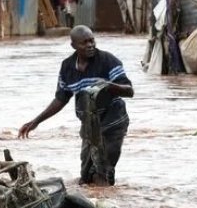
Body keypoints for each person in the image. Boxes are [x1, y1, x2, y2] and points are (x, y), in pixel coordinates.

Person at [19, 26, 133, 185]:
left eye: (92, 40)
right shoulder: (67, 67)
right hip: (89, 125)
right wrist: (36, 121)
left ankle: (104, 204)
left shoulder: (108, 60)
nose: (90, 45)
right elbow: (61, 99)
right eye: (84, 42)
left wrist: (110, 86)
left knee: (103, 170)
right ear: (73, 46)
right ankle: (91, 201)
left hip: (113, 121)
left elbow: (129, 90)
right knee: (85, 177)